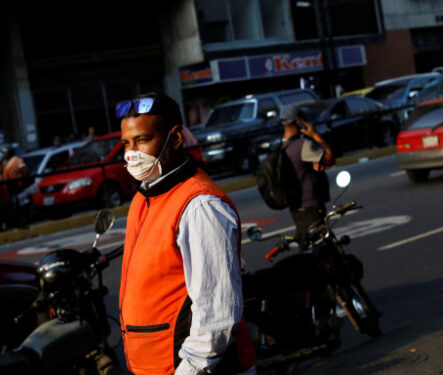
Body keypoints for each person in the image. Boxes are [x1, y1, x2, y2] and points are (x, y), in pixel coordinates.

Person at [117, 93, 256, 375]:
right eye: (126, 143)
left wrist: (189, 369)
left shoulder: (200, 205)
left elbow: (218, 312)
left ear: (176, 139)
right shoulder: (145, 197)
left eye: (143, 140)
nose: (132, 153)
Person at [281, 105, 335, 239]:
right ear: (298, 120)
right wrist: (315, 135)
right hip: (311, 207)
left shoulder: (281, 147)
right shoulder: (302, 145)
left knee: (307, 244)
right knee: (323, 248)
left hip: (296, 208)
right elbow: (329, 158)